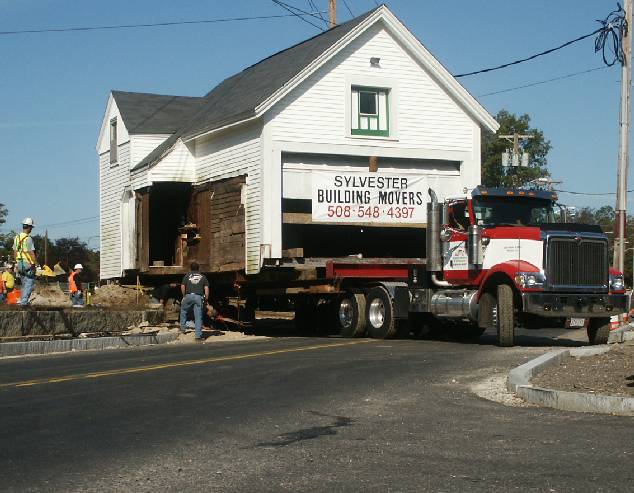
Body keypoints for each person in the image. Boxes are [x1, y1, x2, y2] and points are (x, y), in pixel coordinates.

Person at [180, 262, 209, 342]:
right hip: (198, 297)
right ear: (198, 268)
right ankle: (198, 336)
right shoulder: (203, 277)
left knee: (183, 311)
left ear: (191, 268)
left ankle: (182, 329)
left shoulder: (187, 275)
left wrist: (184, 295)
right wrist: (206, 299)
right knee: (198, 316)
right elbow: (206, 289)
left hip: (189, 295)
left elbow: (182, 286)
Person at [13, 218, 38, 306]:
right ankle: (23, 302)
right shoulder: (28, 239)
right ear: (29, 227)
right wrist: (35, 265)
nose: (31, 229)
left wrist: (16, 263)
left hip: (19, 263)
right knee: (30, 283)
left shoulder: (16, 237)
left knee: (24, 284)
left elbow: (15, 252)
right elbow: (31, 253)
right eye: (31, 227)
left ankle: (22, 300)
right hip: (27, 263)